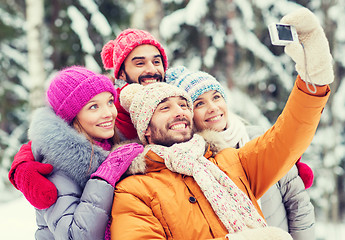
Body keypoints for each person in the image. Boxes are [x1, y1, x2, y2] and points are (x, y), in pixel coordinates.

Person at [109, 8, 332, 239]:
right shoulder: (133, 191)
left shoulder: (231, 161)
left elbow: (287, 139)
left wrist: (313, 80)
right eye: (164, 108)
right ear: (145, 128)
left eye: (184, 105)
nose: (179, 113)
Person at [8, 28, 168, 209]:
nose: (152, 69)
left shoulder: (178, 99)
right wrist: (20, 168)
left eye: (157, 61)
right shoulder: (111, 105)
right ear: (121, 72)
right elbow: (55, 132)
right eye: (140, 63)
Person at [165, 66, 315, 239]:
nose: (213, 107)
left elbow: (298, 203)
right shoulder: (194, 162)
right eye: (199, 103)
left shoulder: (260, 138)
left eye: (216, 97)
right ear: (188, 116)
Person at [25, 66, 143, 239]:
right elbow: (74, 236)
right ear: (72, 117)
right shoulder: (57, 166)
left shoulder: (110, 145)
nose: (109, 113)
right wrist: (104, 177)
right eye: (94, 107)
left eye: (110, 102)